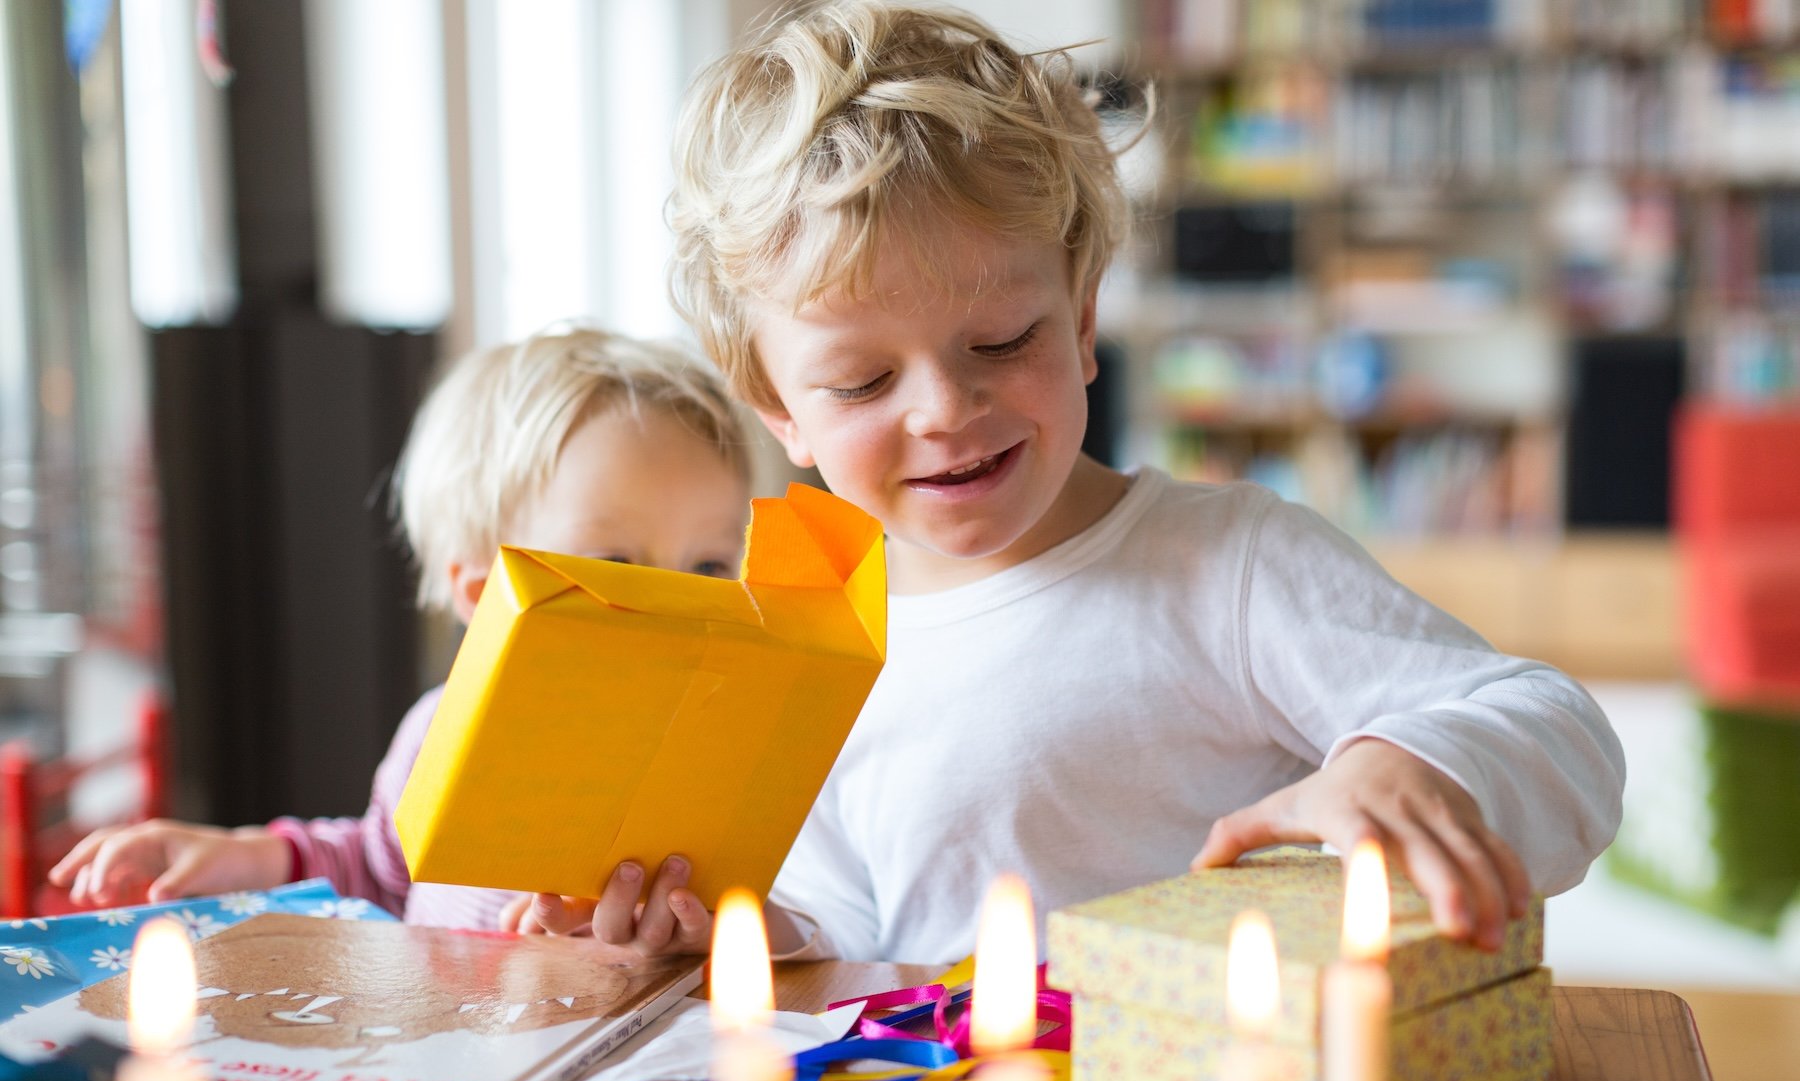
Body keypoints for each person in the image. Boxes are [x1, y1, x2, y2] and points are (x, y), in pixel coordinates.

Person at [532, 0, 1625, 963]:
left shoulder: (1227, 565)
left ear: (1086, 318)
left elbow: (1557, 726)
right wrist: (746, 928)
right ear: (781, 410)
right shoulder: (810, 637)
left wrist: (1410, 763)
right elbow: (853, 917)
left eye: (1003, 341)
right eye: (862, 380)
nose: (946, 410)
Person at [50, 327, 752, 947]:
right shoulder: (441, 731)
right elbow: (379, 872)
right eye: (618, 568)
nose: (679, 605)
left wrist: (695, 928)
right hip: (447, 1069)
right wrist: (244, 854)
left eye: (709, 566)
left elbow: (781, 921)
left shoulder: (722, 752)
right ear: (487, 597)